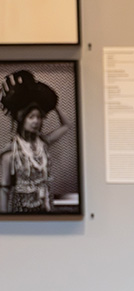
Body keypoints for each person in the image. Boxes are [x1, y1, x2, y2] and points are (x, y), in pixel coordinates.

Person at [0, 70, 69, 213]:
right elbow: (4, 189)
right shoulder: (10, 152)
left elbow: (66, 125)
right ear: (22, 119)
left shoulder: (43, 142)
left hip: (44, 208)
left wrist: (52, 104)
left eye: (39, 117)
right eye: (31, 117)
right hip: (21, 211)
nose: (36, 121)